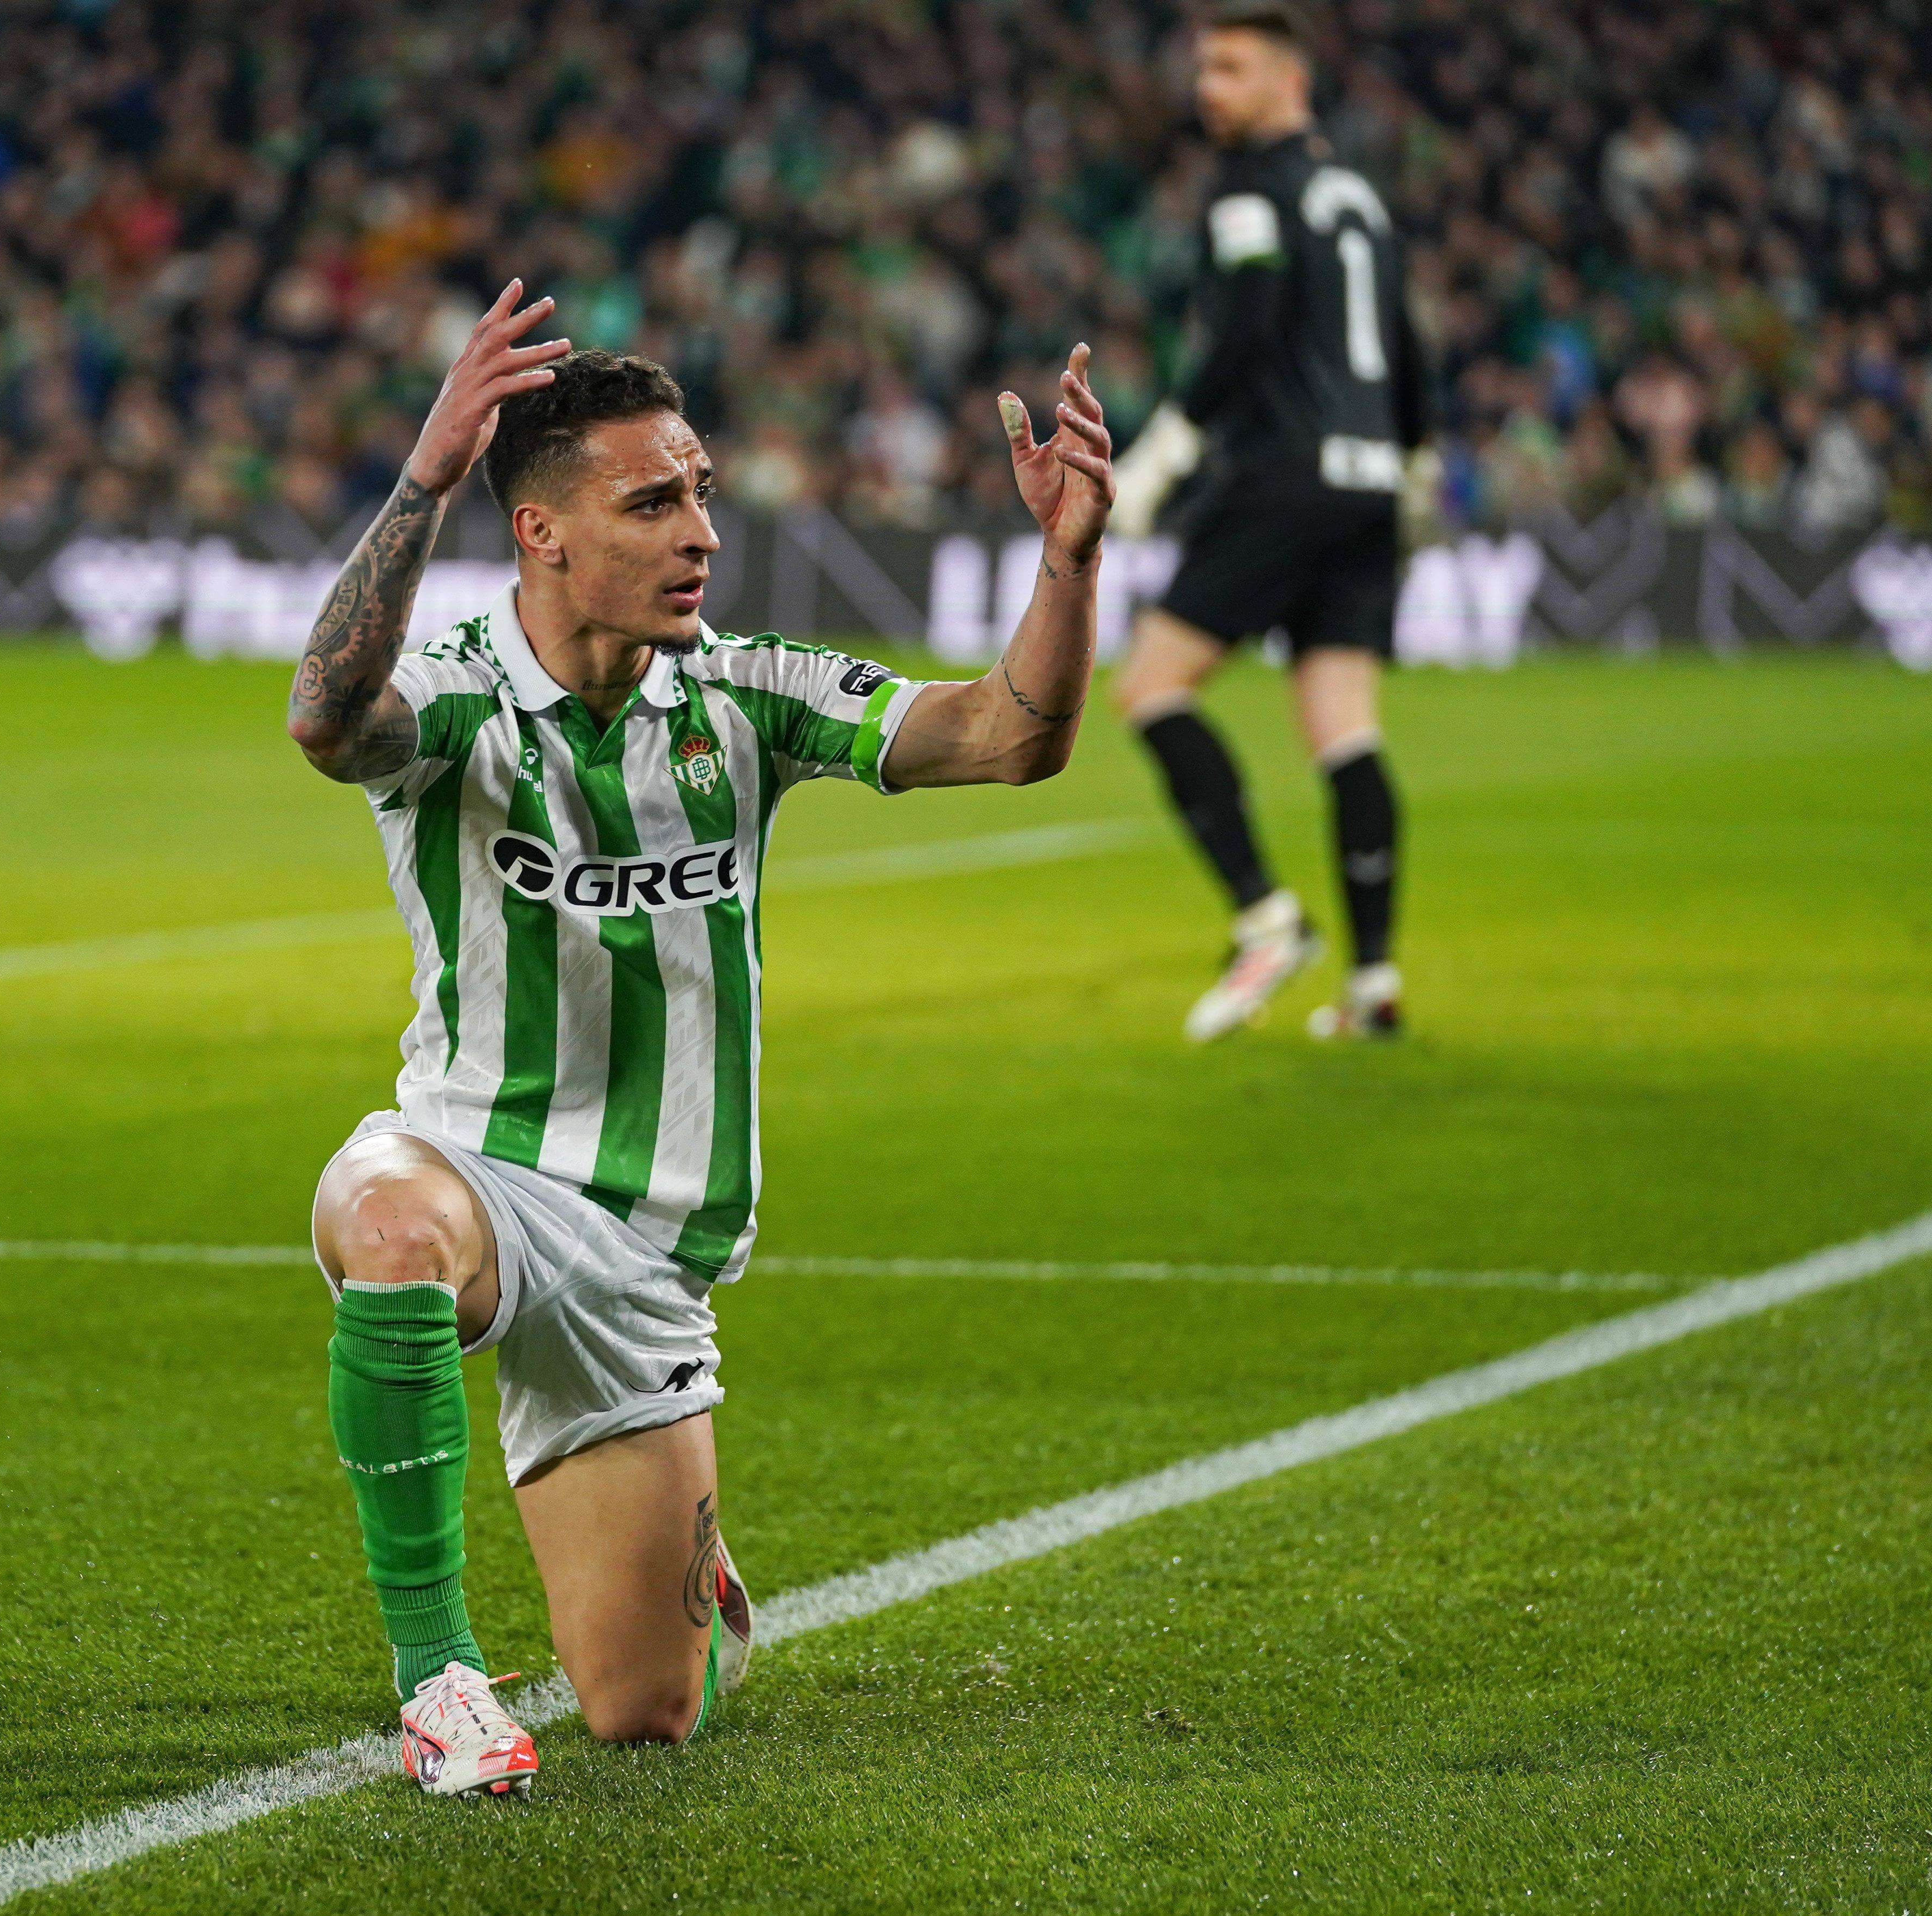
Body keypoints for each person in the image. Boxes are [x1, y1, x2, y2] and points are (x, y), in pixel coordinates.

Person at [285, 280, 1114, 1796]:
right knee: (389, 1221)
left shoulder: (746, 693)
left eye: (703, 497)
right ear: (540, 531)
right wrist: (424, 479)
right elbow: (328, 721)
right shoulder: (464, 692)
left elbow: (1012, 735)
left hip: (650, 1251)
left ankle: (690, 1576)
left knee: (643, 1712)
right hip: (472, 1166)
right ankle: (439, 1680)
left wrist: (1068, 563)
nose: (700, 534)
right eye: (653, 502)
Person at [1110, 0, 1429, 1042]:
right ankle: (1374, 981)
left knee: (1151, 687)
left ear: (1291, 81)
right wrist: (1416, 457)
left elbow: (1245, 330)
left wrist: (1170, 446)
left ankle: (1265, 916)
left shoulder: (1250, 189)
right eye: (1204, 70)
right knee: (1345, 725)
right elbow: (1406, 342)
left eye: (1233, 69)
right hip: (1370, 479)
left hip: (1283, 478)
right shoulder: (1361, 201)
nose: (1210, 89)